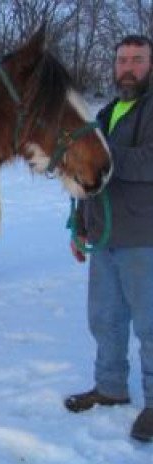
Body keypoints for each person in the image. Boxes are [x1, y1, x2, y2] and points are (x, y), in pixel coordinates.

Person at [65, 34, 153, 442]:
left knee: (150, 325)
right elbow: (89, 178)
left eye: (137, 59)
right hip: (104, 237)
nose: (128, 67)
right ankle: (111, 387)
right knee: (105, 319)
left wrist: (104, 152)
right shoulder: (103, 113)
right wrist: (79, 227)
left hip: (143, 236)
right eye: (122, 60)